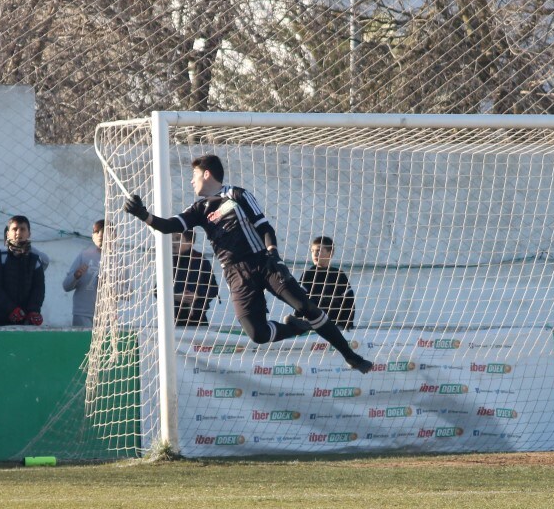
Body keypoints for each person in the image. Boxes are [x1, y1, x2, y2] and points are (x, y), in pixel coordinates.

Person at [122, 153, 373, 373]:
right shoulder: (198, 208)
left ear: (206, 174)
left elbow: (264, 226)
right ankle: (296, 328)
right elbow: (169, 226)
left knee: (306, 304)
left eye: (194, 175)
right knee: (257, 334)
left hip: (263, 263)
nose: (191, 180)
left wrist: (274, 254)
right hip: (236, 275)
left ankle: (350, 355)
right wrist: (143, 214)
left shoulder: (236, 194)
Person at [0, 215, 47, 327]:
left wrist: (33, 311)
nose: (18, 233)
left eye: (23, 229)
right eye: (14, 229)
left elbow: (39, 289)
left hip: (26, 322)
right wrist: (11, 309)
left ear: (29, 234)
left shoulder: (35, 260)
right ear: (8, 234)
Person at [299, 235, 356, 330]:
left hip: (334, 324)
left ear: (330, 253)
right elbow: (298, 299)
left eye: (319, 251)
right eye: (312, 251)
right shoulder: (308, 275)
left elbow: (348, 301)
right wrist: (299, 320)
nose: (315, 254)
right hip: (311, 324)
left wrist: (345, 324)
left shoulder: (338, 275)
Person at [62, 220, 104, 327]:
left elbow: (128, 293)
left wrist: (110, 285)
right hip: (82, 314)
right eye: (97, 232)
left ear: (115, 236)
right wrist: (75, 276)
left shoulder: (119, 260)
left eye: (105, 231)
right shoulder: (84, 256)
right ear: (92, 236)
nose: (100, 235)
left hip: (107, 316)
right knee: (83, 343)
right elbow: (66, 286)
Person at [173, 230, 218, 327]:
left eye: (177, 239)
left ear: (190, 242)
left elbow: (214, 289)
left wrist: (197, 295)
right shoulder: (168, 262)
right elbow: (157, 291)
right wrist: (175, 296)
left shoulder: (201, 261)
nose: (173, 242)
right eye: (171, 239)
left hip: (198, 318)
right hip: (172, 318)